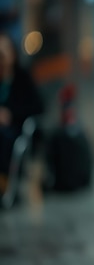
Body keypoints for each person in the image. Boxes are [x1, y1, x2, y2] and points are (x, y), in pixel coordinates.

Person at [0, 32, 45, 196]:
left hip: (14, 129)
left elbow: (38, 106)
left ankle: (5, 184)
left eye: (4, 51)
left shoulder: (22, 78)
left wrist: (10, 114)